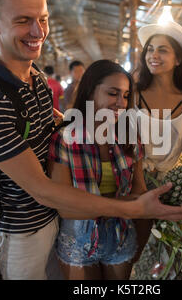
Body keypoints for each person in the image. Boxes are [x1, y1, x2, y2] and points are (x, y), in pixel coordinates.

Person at [0, 0, 182, 280]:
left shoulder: (35, 80)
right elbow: (45, 191)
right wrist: (136, 209)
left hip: (57, 226)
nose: (38, 32)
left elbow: (60, 123)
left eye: (43, 20)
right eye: (23, 20)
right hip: (23, 231)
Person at [49, 59, 146, 279]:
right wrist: (132, 206)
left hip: (121, 234)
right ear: (91, 92)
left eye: (125, 95)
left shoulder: (130, 137)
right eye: (113, 93)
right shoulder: (65, 138)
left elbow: (139, 189)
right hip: (78, 236)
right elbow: (64, 206)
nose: (121, 102)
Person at [132, 20, 182, 264]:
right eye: (150, 49)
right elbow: (124, 146)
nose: (153, 55)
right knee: (133, 254)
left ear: (178, 59)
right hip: (130, 186)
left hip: (167, 191)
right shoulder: (132, 92)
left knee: (157, 260)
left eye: (162, 49)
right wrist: (140, 191)